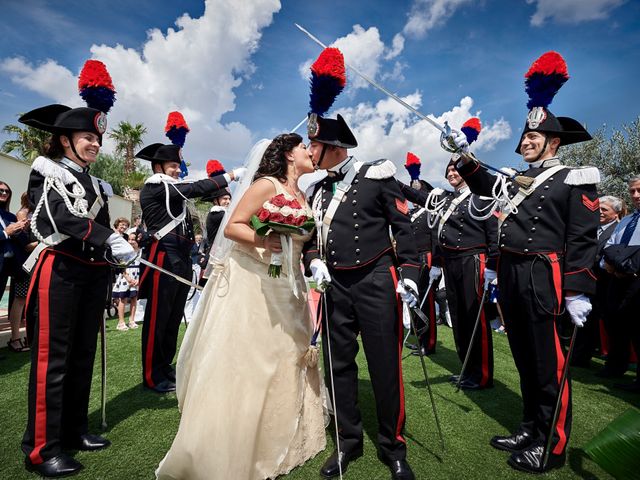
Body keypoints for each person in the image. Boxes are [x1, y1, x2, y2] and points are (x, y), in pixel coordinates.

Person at [455, 51, 599, 473]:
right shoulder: (519, 179)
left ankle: (551, 445)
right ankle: (530, 427)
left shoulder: (574, 178)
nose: (528, 141)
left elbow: (582, 237)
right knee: (524, 358)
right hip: (515, 276)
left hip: (545, 277)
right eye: (526, 137)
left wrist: (578, 289)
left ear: (554, 142)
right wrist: (463, 156)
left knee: (548, 364)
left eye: (536, 137)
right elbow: (482, 183)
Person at [156, 133, 326, 480]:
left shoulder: (303, 194)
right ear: (289, 156)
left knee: (288, 352)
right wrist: (266, 238)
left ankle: (289, 429)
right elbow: (234, 226)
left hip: (289, 284)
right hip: (257, 280)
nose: (311, 152)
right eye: (304, 148)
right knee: (255, 357)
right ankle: (241, 435)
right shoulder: (266, 185)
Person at [18, 99, 136, 477]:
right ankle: (41, 449)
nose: (95, 145)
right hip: (60, 272)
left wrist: (117, 253)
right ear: (65, 140)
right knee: (53, 362)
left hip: (90, 273)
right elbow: (57, 214)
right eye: (88, 137)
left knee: (83, 355)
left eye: (98, 139)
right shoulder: (46, 169)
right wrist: (108, 238)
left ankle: (73, 430)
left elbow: (96, 227)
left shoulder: (97, 182)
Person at [302, 113, 420, 480]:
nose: (309, 150)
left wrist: (411, 274)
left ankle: (393, 447)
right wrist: (313, 261)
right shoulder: (317, 190)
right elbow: (309, 240)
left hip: (376, 280)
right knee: (338, 367)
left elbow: (404, 226)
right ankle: (347, 443)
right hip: (335, 285)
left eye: (314, 145)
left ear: (334, 148)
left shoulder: (377, 176)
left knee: (385, 367)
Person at [136, 140, 244, 393]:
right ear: (158, 166)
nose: (176, 170)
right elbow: (195, 188)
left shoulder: (170, 187)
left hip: (180, 258)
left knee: (173, 317)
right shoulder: (156, 185)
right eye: (173, 165)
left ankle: (164, 366)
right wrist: (231, 175)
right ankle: (152, 375)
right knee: (158, 319)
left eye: (177, 165)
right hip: (163, 255)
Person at [399, 119, 498, 390]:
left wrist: (493, 264)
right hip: (452, 263)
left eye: (456, 169)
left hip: (474, 260)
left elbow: (493, 231)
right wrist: (392, 181)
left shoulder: (482, 194)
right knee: (460, 317)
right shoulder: (445, 198)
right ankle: (467, 369)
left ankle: (483, 374)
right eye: (449, 170)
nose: (452, 173)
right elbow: (419, 199)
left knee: (474, 318)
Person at [572, 195, 621, 368]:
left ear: (616, 213)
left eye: (604, 209)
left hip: (604, 284)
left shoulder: (618, 229)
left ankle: (613, 363)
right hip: (585, 282)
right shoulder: (591, 228)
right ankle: (579, 356)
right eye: (598, 208)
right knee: (586, 321)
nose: (599, 212)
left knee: (606, 324)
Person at [601, 176, 640, 392]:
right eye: (632, 191)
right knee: (615, 323)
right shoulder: (626, 221)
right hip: (615, 278)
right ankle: (615, 366)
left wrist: (629, 265)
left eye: (639, 190)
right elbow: (609, 246)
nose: (635, 195)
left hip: (636, 282)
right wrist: (611, 265)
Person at [402, 153, 438, 356]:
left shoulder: (429, 213)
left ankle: (429, 342)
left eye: (419, 193)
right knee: (416, 302)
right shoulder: (410, 214)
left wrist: (435, 264)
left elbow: (434, 238)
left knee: (427, 303)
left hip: (427, 259)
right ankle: (421, 337)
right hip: (414, 261)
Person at [1, 182, 29, 351]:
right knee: (20, 300)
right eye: (0, 190)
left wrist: (21, 231)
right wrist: (6, 232)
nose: (4, 193)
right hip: (11, 264)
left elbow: (20, 241)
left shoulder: (10, 216)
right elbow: (8, 234)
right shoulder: (16, 216)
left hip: (7, 266)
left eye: (6, 191)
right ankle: (15, 338)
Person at [7, 192, 37, 352]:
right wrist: (43, 243)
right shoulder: (23, 213)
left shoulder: (36, 212)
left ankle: (28, 336)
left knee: (31, 301)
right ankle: (15, 338)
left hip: (35, 262)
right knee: (20, 299)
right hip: (25, 264)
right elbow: (24, 242)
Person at [112, 233, 141, 331]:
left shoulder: (141, 252)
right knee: (123, 298)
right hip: (126, 276)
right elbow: (121, 265)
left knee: (134, 298)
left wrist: (138, 279)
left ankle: (132, 320)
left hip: (137, 277)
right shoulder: (124, 252)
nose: (132, 242)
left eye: (134, 239)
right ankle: (121, 322)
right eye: (130, 239)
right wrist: (127, 277)